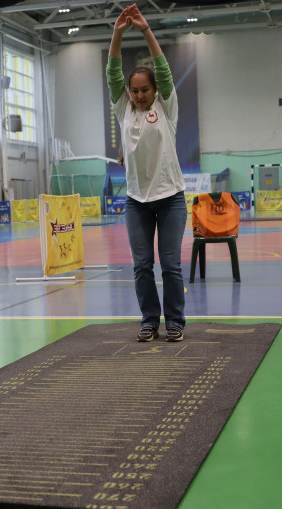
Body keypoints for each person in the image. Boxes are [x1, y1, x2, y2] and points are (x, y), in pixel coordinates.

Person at [107, 4, 186, 342]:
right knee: (141, 265)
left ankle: (175, 321)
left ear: (155, 91)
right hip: (136, 201)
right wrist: (117, 33)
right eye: (135, 90)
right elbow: (113, 73)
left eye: (145, 90)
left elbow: (163, 70)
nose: (139, 95)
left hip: (171, 199)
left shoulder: (166, 107)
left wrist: (144, 30)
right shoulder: (123, 108)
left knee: (170, 265)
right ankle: (149, 320)